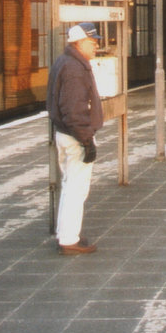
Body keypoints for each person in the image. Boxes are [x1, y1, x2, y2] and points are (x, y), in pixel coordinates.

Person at [47, 21, 105, 255]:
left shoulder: (65, 61)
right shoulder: (74, 68)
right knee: (76, 189)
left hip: (65, 134)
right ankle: (70, 240)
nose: (96, 48)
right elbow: (74, 109)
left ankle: (65, 234)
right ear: (79, 43)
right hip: (75, 137)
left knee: (69, 185)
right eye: (92, 43)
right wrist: (87, 140)